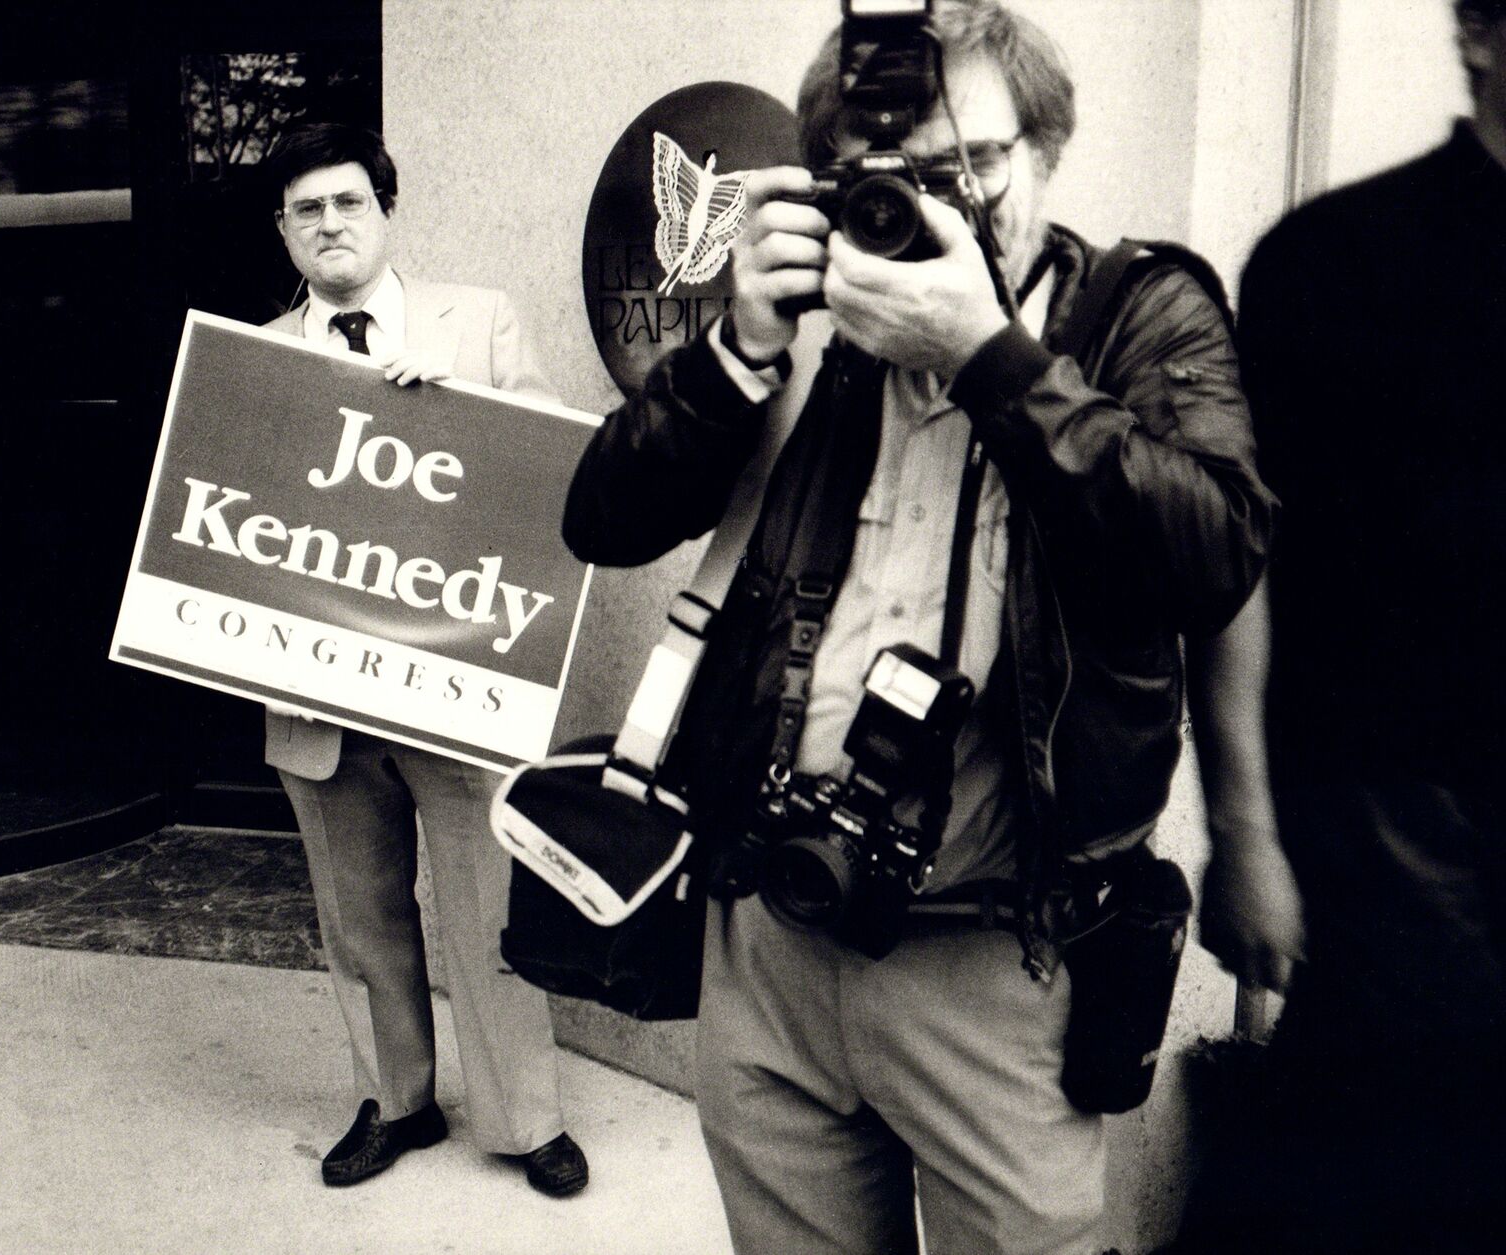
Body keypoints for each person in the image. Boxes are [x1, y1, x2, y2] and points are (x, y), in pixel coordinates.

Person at [562, 2, 1276, 1250]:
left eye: (979, 167)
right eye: (896, 181)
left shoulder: (1135, 315)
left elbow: (1215, 551)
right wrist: (735, 352)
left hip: (997, 966)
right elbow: (602, 519)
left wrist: (993, 359)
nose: (944, 208)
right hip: (772, 942)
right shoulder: (808, 338)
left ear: (1045, 153)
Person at [1217, 3, 1506, 1248]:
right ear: (1479, 30)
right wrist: (1244, 832)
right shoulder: (1330, 263)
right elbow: (1241, 567)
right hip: (1392, 846)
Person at [260, 123, 588, 1197]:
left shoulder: (475, 322)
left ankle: (523, 1116)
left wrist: (453, 403)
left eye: (347, 202)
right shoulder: (251, 357)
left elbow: (552, 469)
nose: (329, 224)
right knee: (358, 919)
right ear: (284, 232)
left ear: (385, 213)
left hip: (452, 682)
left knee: (487, 909)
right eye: (306, 209)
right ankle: (395, 1103)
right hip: (320, 695)